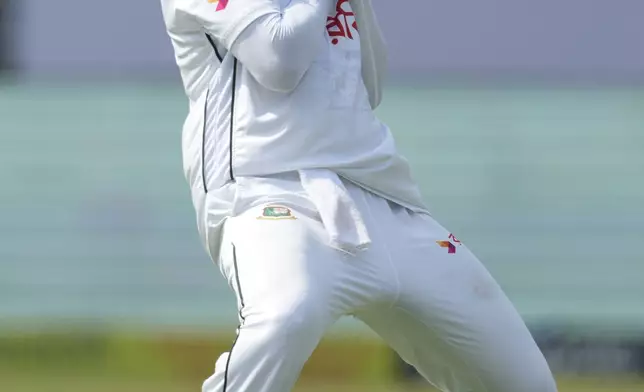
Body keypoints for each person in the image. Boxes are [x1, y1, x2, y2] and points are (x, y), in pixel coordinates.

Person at [160, 0, 558, 391]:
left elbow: (370, 82)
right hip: (271, 196)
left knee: (526, 381)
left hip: (386, 202)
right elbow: (277, 60)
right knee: (286, 316)